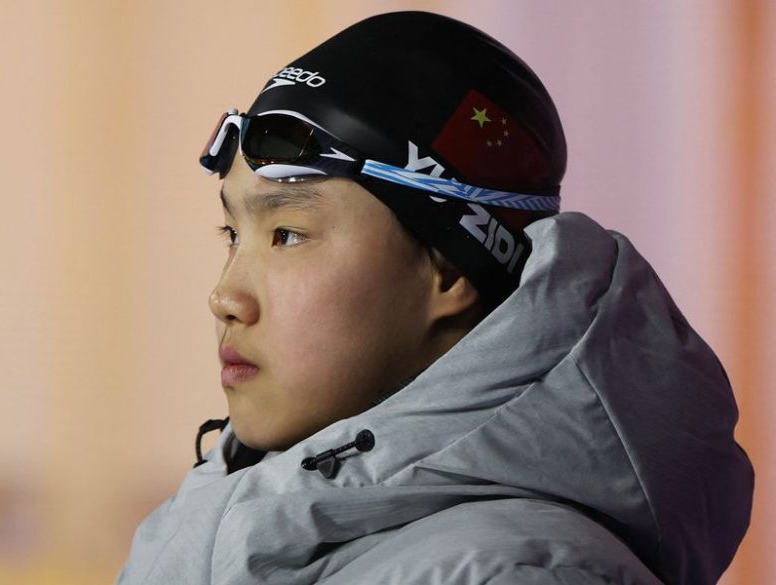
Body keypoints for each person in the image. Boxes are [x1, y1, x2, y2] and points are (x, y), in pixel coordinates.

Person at [116, 11, 752, 585]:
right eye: (232, 235)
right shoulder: (217, 516)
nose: (225, 297)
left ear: (448, 268)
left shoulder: (511, 574)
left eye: (287, 235)